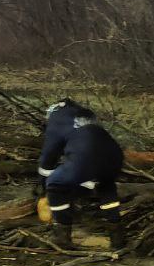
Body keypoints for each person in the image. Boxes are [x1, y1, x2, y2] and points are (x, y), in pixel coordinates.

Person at [38, 98, 126, 250]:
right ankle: (117, 237)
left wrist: (42, 186)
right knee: (105, 186)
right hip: (114, 154)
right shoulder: (82, 114)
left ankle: (62, 236)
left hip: (86, 155)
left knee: (54, 184)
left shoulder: (57, 119)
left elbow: (48, 157)